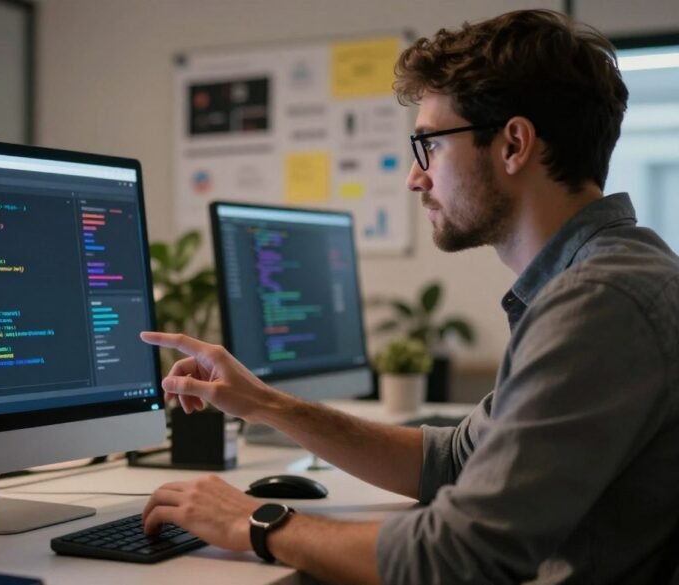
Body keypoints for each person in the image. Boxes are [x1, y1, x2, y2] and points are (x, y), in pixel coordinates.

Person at [139, 9, 679, 585]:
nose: (414, 178)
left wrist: (258, 523)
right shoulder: (600, 278)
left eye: (430, 146)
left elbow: (458, 556)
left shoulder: (599, 301)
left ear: (514, 144)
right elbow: (453, 461)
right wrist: (264, 403)